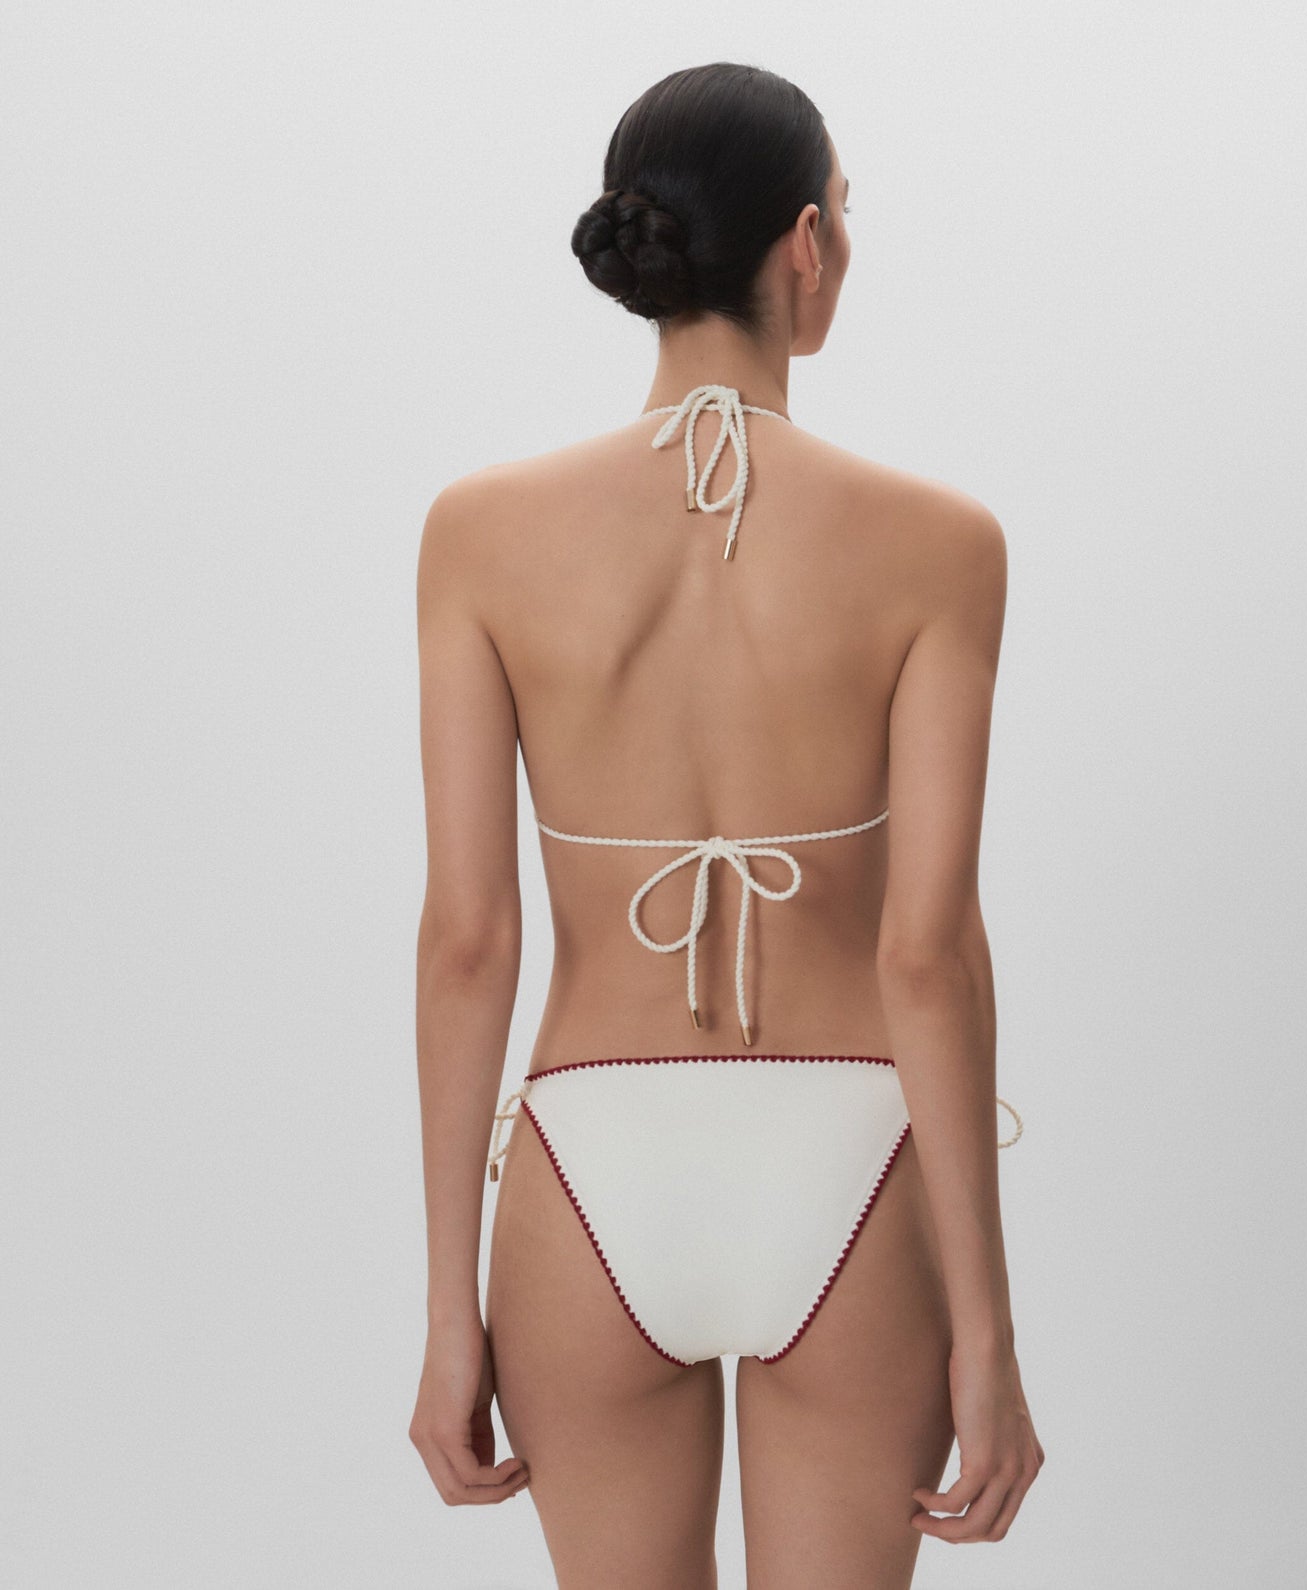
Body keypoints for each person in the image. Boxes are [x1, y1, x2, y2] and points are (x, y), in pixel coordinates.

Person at [409, 60, 1044, 1589]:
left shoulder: (478, 535)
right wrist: (986, 1333)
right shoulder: (940, 544)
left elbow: (468, 939)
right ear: (805, 243)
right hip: (849, 1161)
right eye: (847, 218)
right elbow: (925, 955)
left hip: (587, 1167)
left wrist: (446, 1314)